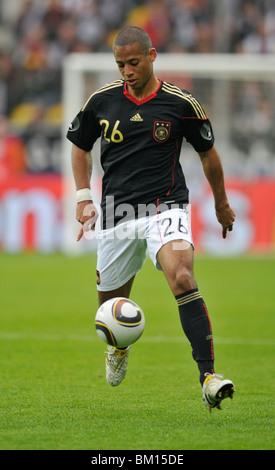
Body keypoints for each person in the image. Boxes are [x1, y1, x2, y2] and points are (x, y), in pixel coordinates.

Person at [66, 26, 235, 411]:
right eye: (120, 64)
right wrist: (82, 197)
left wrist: (221, 203)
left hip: (166, 206)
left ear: (152, 56)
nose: (126, 70)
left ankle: (208, 377)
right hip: (117, 213)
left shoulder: (180, 103)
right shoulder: (102, 101)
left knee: (182, 275)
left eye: (134, 62)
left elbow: (209, 154)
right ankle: (118, 347)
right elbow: (80, 146)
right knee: (109, 308)